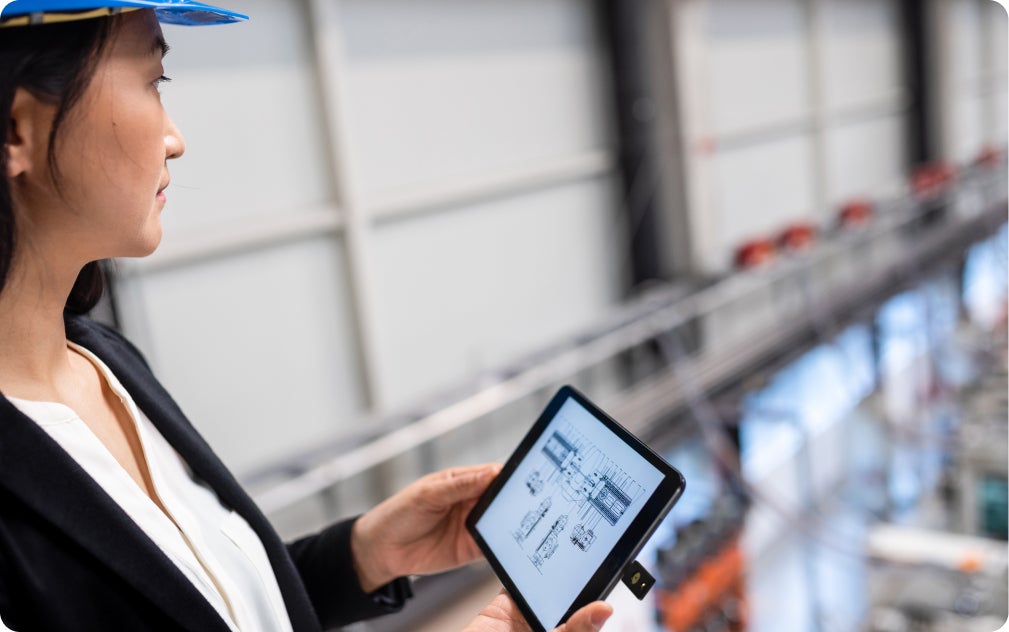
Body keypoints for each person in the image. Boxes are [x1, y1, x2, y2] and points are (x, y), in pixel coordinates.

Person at [0, 2, 614, 631]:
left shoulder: (105, 360)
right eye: (155, 81)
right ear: (16, 130)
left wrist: (363, 557)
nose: (175, 140)